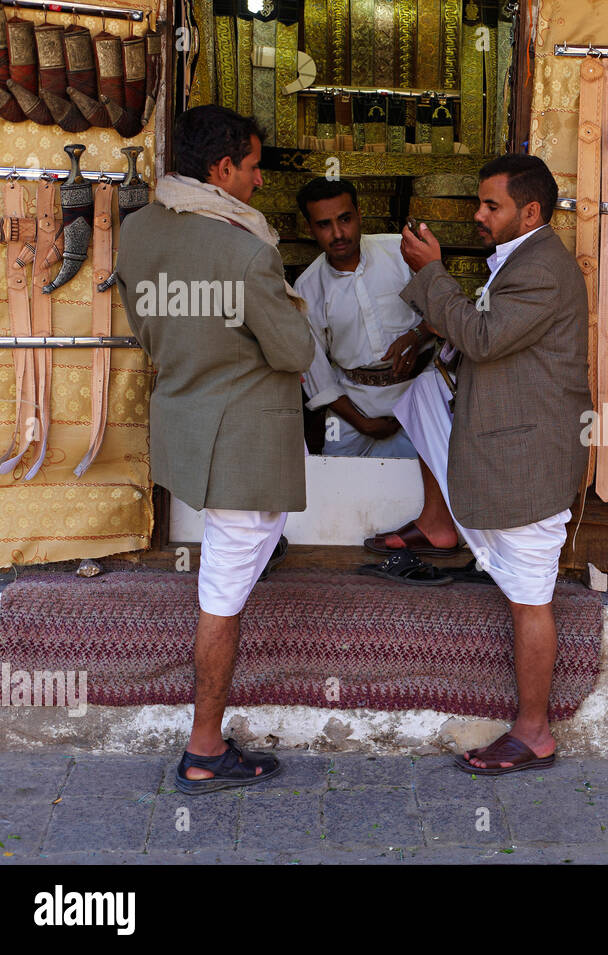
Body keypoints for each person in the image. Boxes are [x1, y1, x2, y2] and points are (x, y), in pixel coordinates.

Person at [116, 105, 315, 794]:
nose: (261, 183)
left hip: (187, 428)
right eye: (255, 168)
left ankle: (267, 550)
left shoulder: (136, 231)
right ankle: (203, 748)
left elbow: (147, 329)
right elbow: (293, 352)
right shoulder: (245, 249)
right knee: (221, 598)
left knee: (234, 567)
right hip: (245, 447)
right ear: (223, 168)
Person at [390, 153, 590, 774]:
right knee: (421, 394)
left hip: (529, 458)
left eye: (490, 206)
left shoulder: (542, 271)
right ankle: (441, 522)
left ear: (529, 212)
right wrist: (428, 334)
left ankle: (533, 731)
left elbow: (483, 338)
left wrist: (432, 275)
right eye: (478, 203)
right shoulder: (521, 260)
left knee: (531, 596)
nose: (478, 215)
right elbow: (479, 336)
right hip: (510, 438)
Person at [293, 176, 428, 460]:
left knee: (425, 486)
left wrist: (418, 335)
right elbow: (318, 376)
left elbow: (450, 311)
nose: (338, 233)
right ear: (310, 229)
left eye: (345, 219)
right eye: (324, 225)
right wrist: (363, 423)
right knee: (339, 490)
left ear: (359, 215)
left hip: (418, 395)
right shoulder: (306, 290)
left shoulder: (401, 252)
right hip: (353, 409)